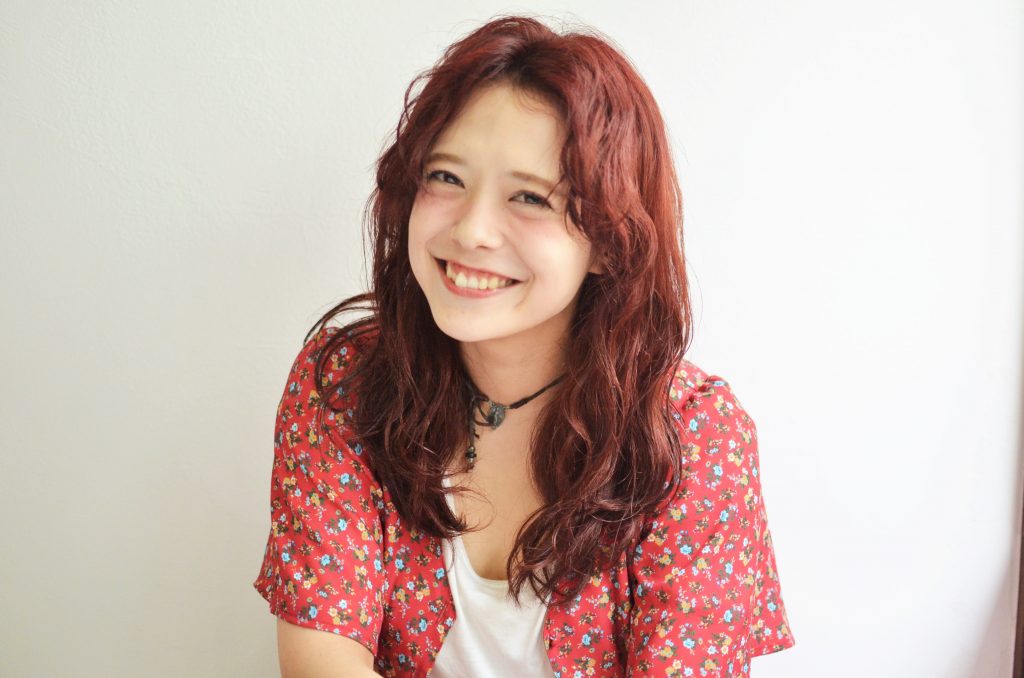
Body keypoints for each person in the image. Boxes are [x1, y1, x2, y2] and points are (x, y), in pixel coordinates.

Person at [253, 14, 795, 677]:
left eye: (531, 198)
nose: (472, 231)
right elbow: (320, 660)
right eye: (445, 177)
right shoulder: (349, 380)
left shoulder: (692, 436)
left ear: (609, 242)